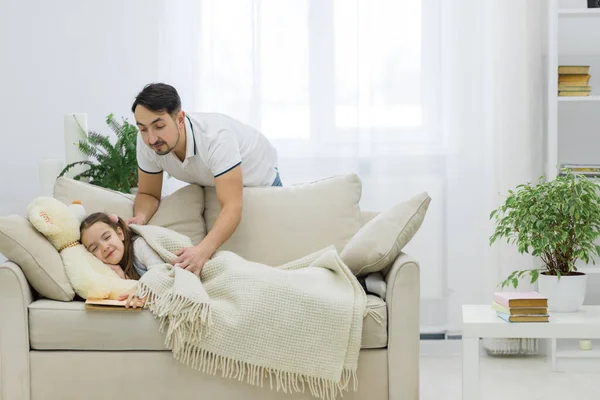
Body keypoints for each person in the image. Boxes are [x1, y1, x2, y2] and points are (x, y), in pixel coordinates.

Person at [127, 83, 280, 277]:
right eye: (143, 129)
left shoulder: (216, 138)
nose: (151, 139)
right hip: (215, 182)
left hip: (261, 182)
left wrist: (201, 252)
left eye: (159, 126)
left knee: (268, 263)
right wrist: (140, 217)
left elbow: (232, 206)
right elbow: (148, 194)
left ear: (180, 119)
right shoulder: (147, 143)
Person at [79, 212, 163, 307]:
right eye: (95, 248)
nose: (104, 247)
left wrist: (140, 288)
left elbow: (161, 271)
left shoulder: (139, 246)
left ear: (120, 234)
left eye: (107, 237)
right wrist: (121, 274)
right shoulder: (108, 269)